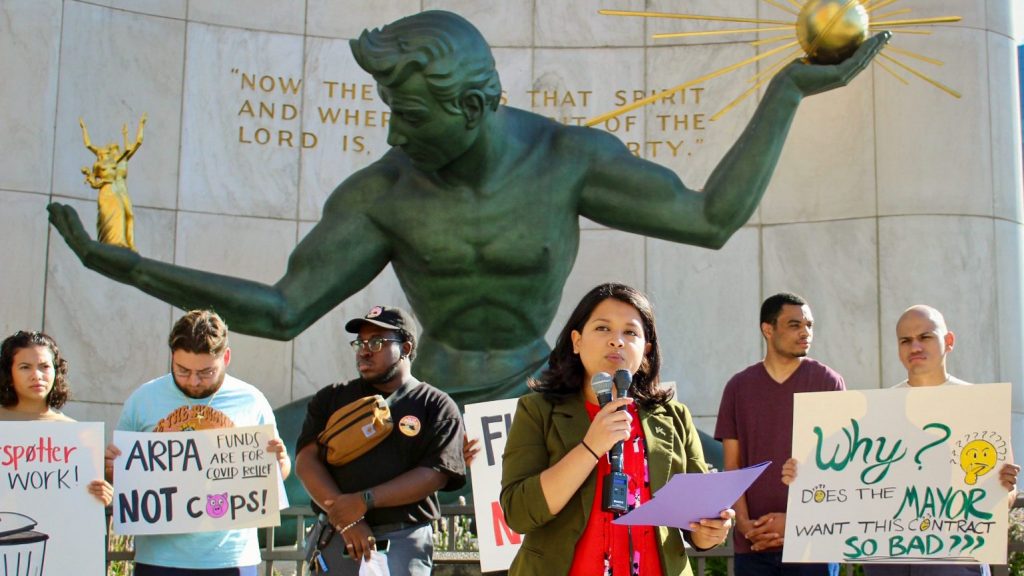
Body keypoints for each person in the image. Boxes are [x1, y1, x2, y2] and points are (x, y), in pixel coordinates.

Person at [47, 10, 889, 408]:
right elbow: (280, 310)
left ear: (475, 106)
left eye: (411, 115)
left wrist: (784, 94)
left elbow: (709, 220)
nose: (393, 131)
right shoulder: (382, 193)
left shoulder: (565, 161)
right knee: (279, 459)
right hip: (427, 397)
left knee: (679, 473)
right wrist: (126, 264)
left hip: (545, 393)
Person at [500, 282, 733, 575]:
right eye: (602, 328)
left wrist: (709, 532)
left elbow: (697, 519)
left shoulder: (674, 417)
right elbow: (519, 513)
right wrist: (590, 448)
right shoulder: (538, 410)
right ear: (576, 341)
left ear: (646, 350)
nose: (617, 341)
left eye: (631, 332)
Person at [781, 304, 1020, 576]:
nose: (915, 346)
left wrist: (1003, 490)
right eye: (905, 340)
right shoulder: (877, 410)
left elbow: (1006, 495)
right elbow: (847, 480)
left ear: (949, 341)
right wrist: (803, 478)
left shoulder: (979, 406)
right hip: (887, 556)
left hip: (956, 555)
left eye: (925, 337)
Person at [104, 310, 291, 576]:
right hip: (159, 558)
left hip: (231, 558)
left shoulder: (252, 401)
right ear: (172, 357)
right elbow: (118, 474)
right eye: (182, 370)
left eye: (206, 372)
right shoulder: (142, 400)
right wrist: (112, 468)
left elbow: (273, 473)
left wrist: (281, 465)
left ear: (225, 357)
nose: (193, 381)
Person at [294, 305, 465, 575]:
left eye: (376, 342)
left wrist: (364, 501)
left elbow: (435, 474)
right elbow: (306, 461)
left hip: (403, 541)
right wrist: (347, 520)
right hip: (337, 537)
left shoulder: (437, 405)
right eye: (360, 342)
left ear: (406, 348)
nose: (364, 350)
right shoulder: (331, 398)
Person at [715, 292, 844, 575]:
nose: (806, 333)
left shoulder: (827, 382)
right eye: (795, 324)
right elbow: (732, 466)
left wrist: (797, 520)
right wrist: (745, 524)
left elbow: (839, 466)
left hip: (814, 541)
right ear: (768, 329)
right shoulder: (738, 387)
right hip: (753, 546)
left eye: (809, 325)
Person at [0, 330, 112, 506]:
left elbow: (79, 505)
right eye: (25, 367)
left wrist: (99, 498)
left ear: (56, 371)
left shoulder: (75, 434)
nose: (37, 375)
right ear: (9, 374)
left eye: (44, 366)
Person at [79, 114, 145, 251]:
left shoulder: (119, 161)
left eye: (114, 150)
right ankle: (114, 240)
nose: (113, 153)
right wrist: (84, 128)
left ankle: (128, 243)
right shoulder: (103, 164)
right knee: (115, 213)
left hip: (120, 190)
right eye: (111, 151)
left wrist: (138, 126)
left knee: (128, 214)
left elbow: (133, 146)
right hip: (112, 190)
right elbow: (89, 145)